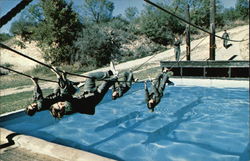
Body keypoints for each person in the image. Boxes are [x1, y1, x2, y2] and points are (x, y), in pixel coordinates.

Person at [49, 63, 119, 119]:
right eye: (59, 106)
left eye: (57, 103)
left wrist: (62, 77)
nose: (59, 103)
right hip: (94, 99)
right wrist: (59, 76)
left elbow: (62, 91)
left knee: (90, 76)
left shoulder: (65, 106)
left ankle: (111, 72)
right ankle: (115, 76)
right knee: (106, 83)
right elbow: (65, 93)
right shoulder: (69, 108)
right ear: (60, 111)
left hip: (87, 93)